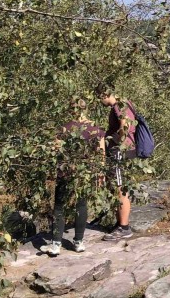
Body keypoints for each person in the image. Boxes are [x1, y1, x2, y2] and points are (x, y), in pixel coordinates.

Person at [39, 99, 106, 257]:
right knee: (81, 205)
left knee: (59, 207)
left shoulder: (64, 128)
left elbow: (55, 151)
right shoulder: (96, 130)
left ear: (72, 110)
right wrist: (100, 174)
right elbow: (101, 154)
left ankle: (56, 244)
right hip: (85, 174)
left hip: (65, 172)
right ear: (85, 110)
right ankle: (78, 242)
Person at [100, 88, 137, 241]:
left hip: (119, 152)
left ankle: (124, 227)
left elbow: (125, 126)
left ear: (105, 94)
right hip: (124, 150)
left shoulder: (119, 105)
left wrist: (116, 139)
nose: (99, 100)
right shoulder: (124, 103)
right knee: (119, 187)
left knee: (120, 187)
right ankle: (120, 224)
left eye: (99, 97)